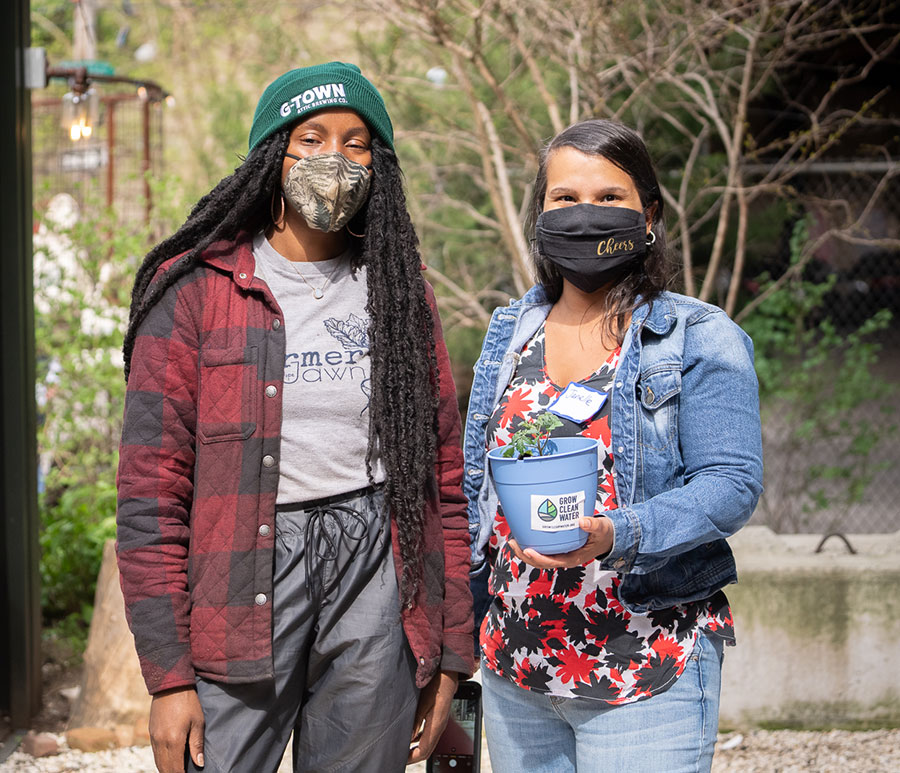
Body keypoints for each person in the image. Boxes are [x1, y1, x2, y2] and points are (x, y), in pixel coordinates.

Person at [116, 61, 474, 773]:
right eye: (311, 138)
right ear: (271, 156)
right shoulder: (193, 291)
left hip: (377, 570)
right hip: (240, 574)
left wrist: (451, 653)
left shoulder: (398, 291)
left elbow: (444, 479)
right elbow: (150, 496)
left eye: (356, 142)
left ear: (380, 164)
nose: (334, 159)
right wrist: (169, 676)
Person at [462, 119, 763, 772]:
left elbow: (732, 483)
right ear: (539, 212)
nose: (585, 214)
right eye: (564, 199)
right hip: (518, 664)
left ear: (648, 214)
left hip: (644, 661)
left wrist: (614, 532)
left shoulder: (699, 336)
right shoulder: (511, 330)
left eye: (609, 197)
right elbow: (473, 489)